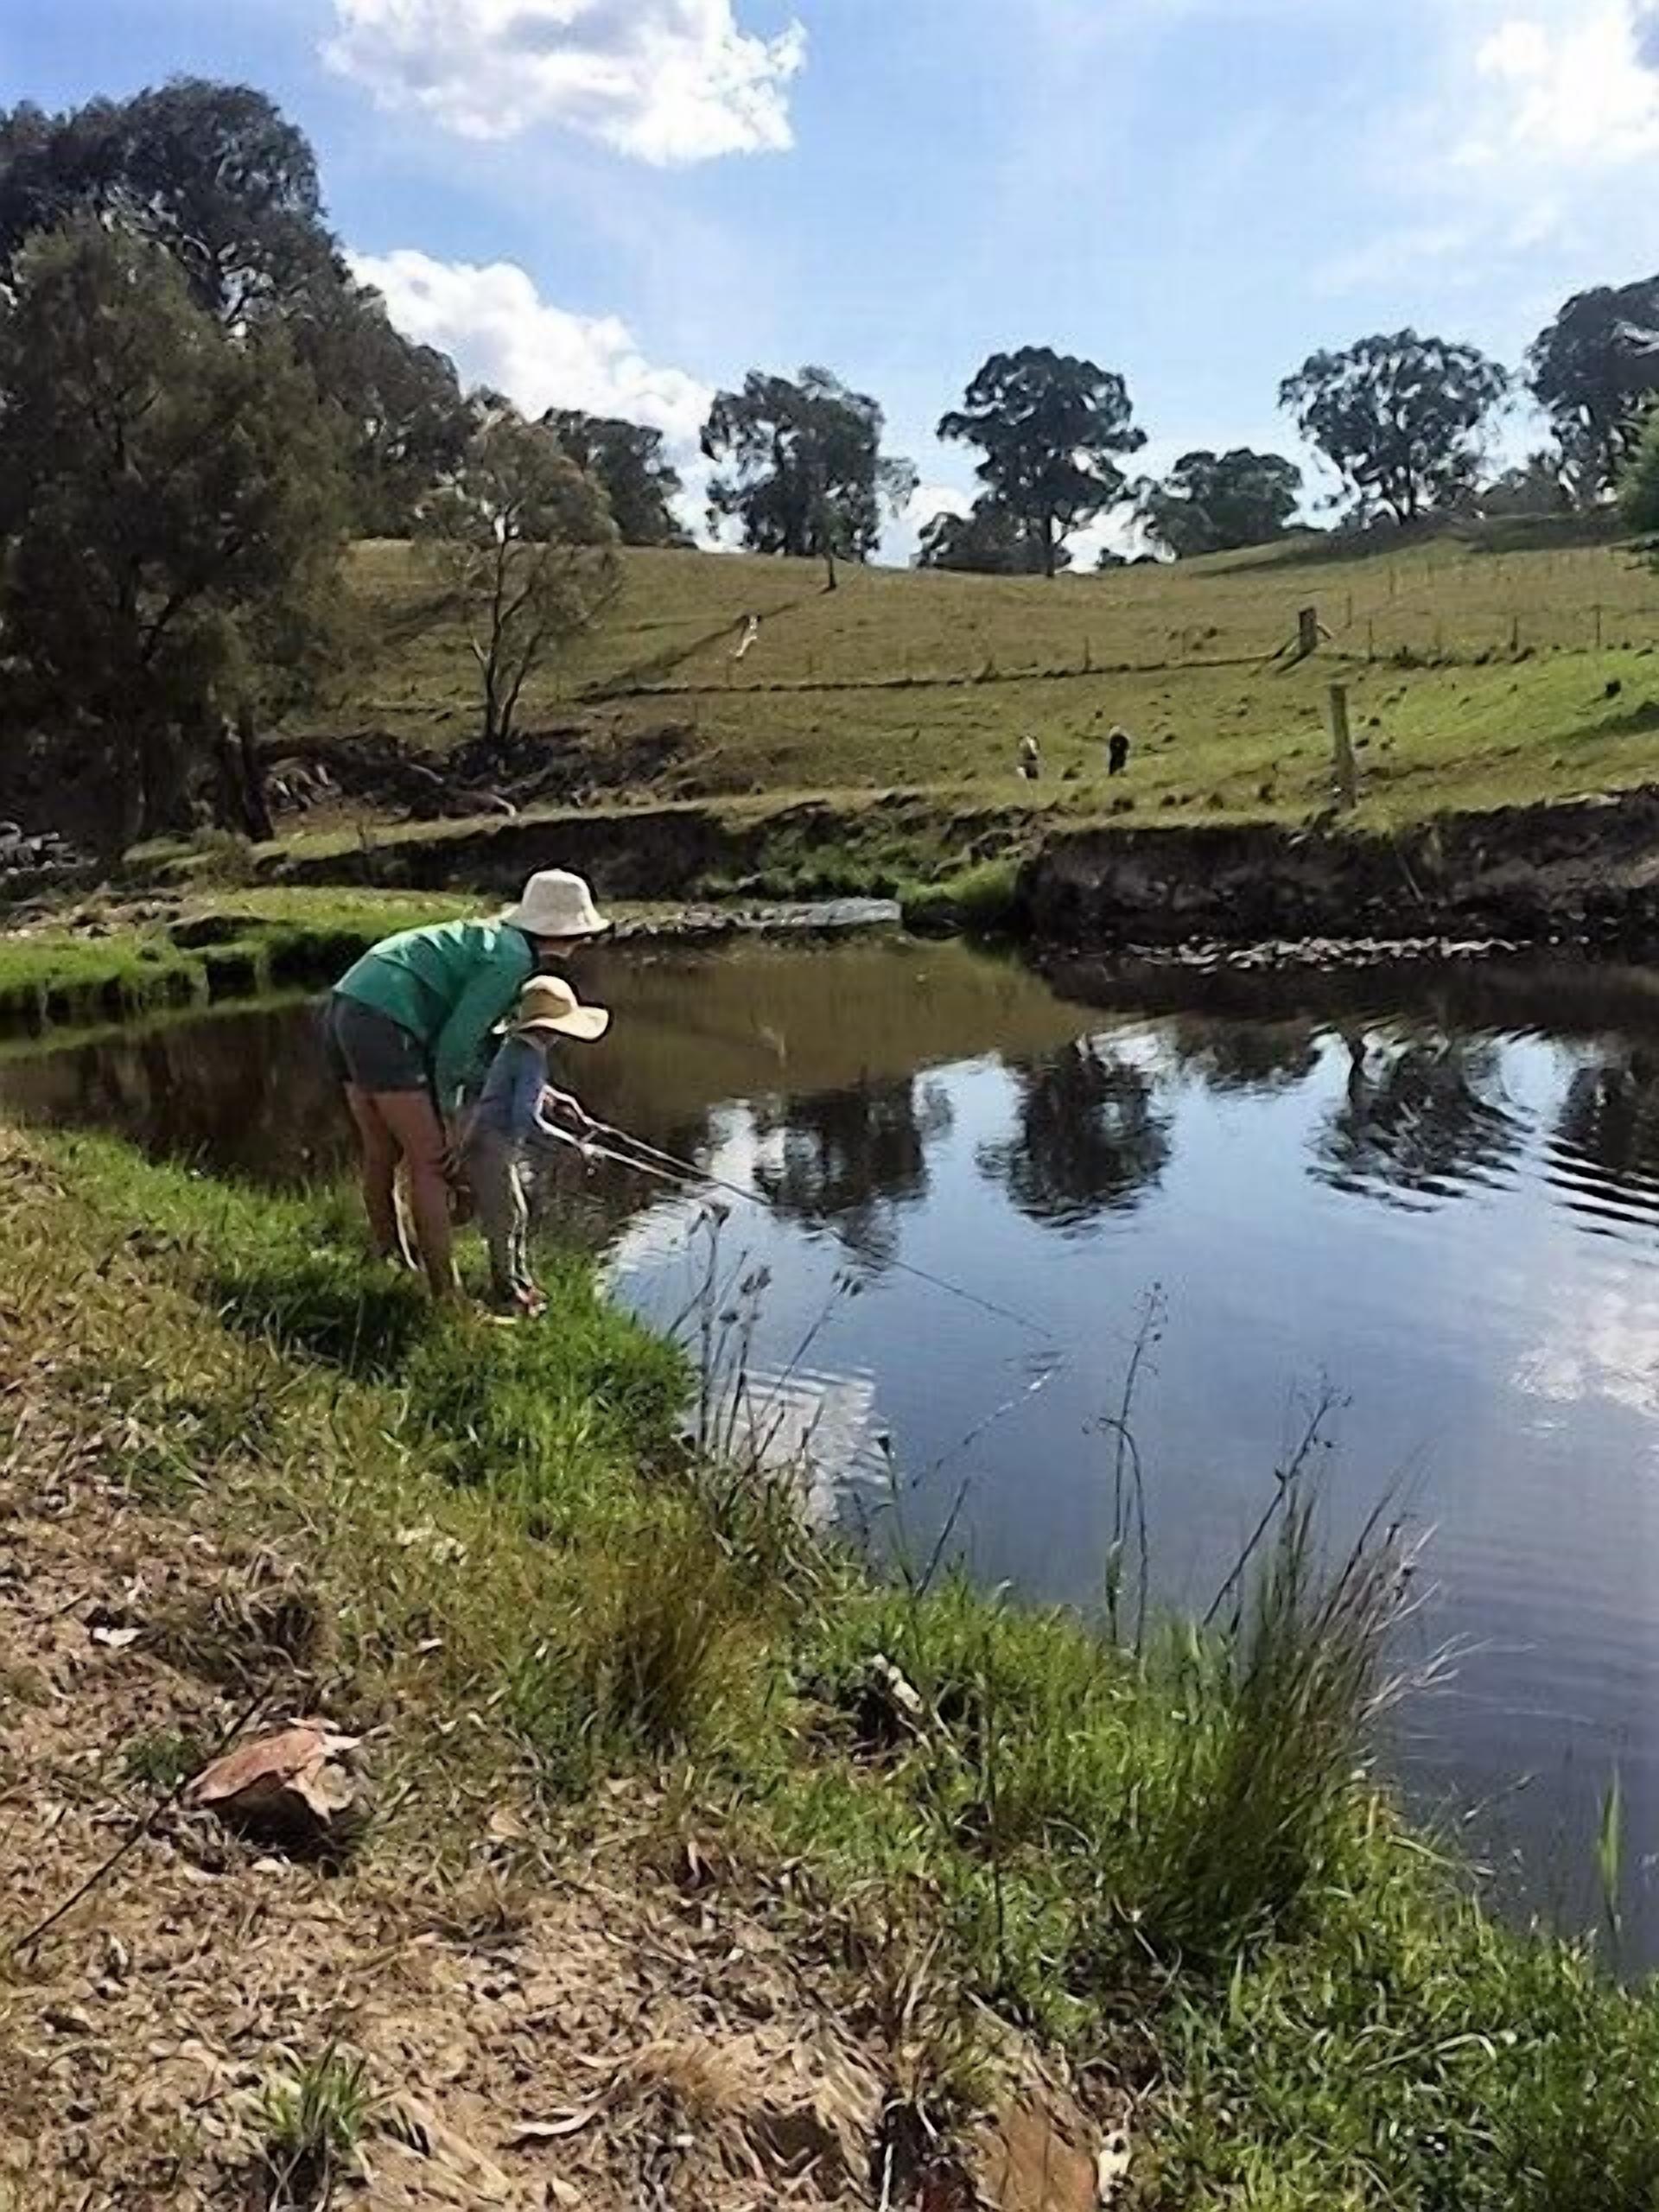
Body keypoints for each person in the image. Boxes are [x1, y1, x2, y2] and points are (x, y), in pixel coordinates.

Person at [323, 868, 609, 1300]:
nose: (584, 941)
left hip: (348, 1003)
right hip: (386, 1019)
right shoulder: (512, 961)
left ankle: (392, 1258)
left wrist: (546, 1095)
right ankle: (448, 1297)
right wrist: (448, 1118)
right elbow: (454, 1049)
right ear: (565, 931)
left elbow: (477, 1045)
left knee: (383, 1152)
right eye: (582, 932)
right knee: (432, 1161)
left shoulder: (496, 940)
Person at [461, 975, 610, 1315]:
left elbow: (526, 1088)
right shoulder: (529, 1057)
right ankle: (505, 1290)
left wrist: (559, 1098)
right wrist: (574, 1146)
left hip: (494, 1145)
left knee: (518, 1215)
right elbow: (525, 1119)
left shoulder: (519, 1049)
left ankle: (520, 1279)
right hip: (490, 1148)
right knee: (505, 1218)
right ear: (550, 1030)